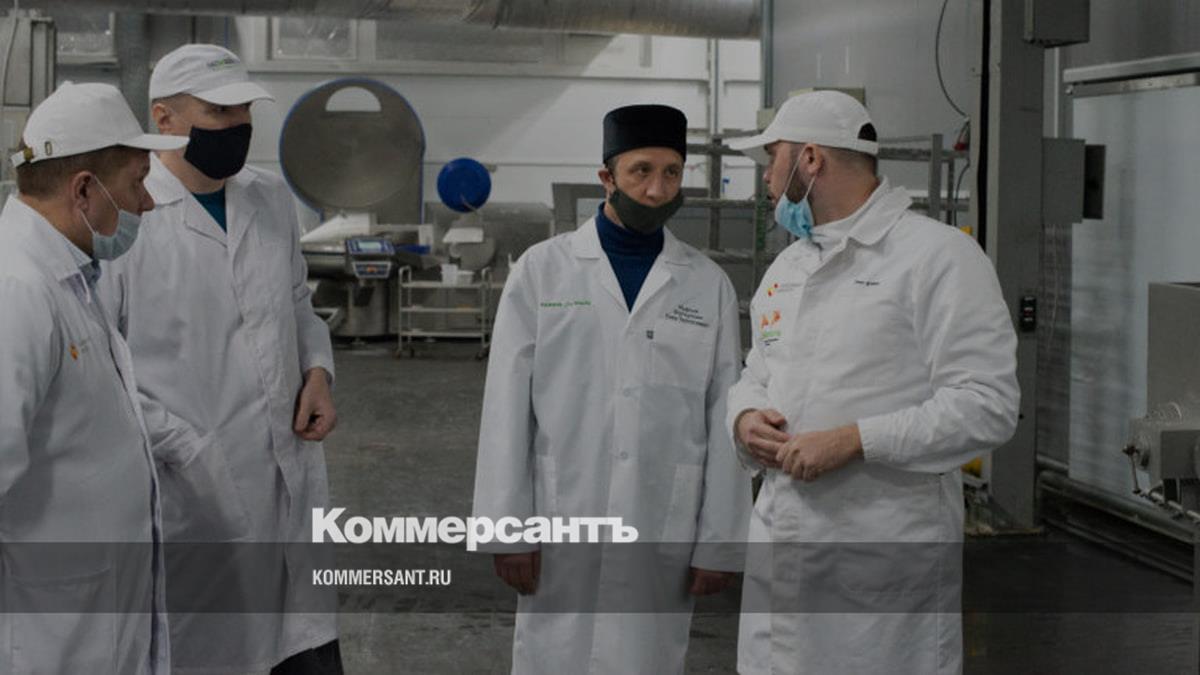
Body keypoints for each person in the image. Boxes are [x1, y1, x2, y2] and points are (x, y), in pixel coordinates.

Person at [723, 90, 1020, 674]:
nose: (767, 181)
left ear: (811, 159)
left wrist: (856, 439)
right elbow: (758, 369)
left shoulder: (937, 257)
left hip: (881, 557)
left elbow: (988, 405)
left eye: (773, 159)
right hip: (784, 542)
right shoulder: (790, 266)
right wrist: (745, 417)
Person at [472, 104, 752, 674]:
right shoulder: (543, 271)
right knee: (556, 657)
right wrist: (507, 528)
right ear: (607, 177)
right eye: (641, 171)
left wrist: (720, 540)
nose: (657, 189)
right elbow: (506, 406)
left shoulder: (707, 284)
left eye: (671, 172)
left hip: (661, 519)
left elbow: (725, 413)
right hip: (563, 513)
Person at [96, 44, 340, 674]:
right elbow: (101, 364)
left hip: (285, 471)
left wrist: (317, 372)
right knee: (211, 647)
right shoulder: (124, 216)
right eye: (219, 111)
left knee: (301, 642)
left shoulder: (269, 197)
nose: (238, 126)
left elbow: (296, 302)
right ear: (164, 118)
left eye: (244, 111)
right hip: (190, 488)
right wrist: (184, 447)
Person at [0, 81, 187, 673]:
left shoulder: (69, 278)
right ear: (83, 190)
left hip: (89, 616)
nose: (147, 203)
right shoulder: (18, 291)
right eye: (137, 183)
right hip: (51, 633)